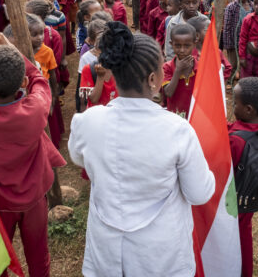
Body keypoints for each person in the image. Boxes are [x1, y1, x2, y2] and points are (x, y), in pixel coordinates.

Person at [69, 22, 215, 276]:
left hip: (107, 250)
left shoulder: (87, 122)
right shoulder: (177, 130)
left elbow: (78, 157)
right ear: (152, 79)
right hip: (159, 254)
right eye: (161, 67)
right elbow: (199, 193)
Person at [0, 33, 66, 277]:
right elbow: (38, 79)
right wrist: (12, 47)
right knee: (38, 255)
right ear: (21, 82)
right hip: (34, 199)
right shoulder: (35, 108)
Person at [229, 77, 258, 277]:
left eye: (234, 102)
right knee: (244, 233)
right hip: (249, 196)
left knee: (230, 236)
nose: (231, 104)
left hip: (231, 200)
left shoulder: (235, 140)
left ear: (248, 109)